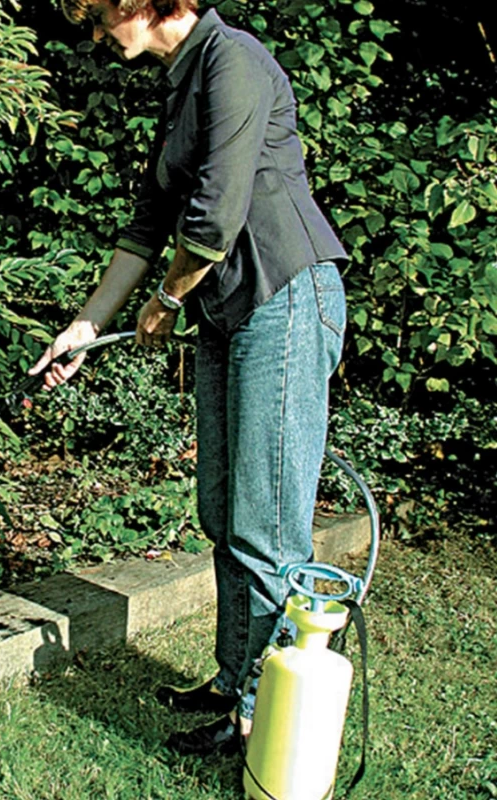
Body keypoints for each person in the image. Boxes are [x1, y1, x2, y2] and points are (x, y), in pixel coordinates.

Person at [29, 0, 348, 756]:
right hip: (226, 311)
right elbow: (149, 222)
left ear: (145, 0)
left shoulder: (231, 57)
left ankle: (257, 716)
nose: (99, 31)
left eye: (103, 13)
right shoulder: (183, 78)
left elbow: (217, 213)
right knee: (221, 510)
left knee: (265, 525)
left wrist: (168, 301)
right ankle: (236, 674)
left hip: (284, 297)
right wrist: (86, 323)